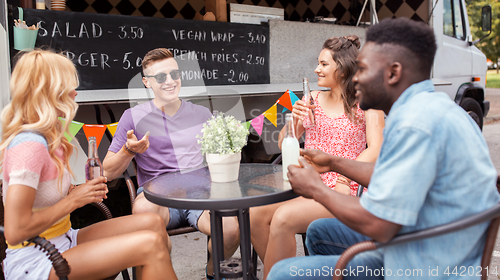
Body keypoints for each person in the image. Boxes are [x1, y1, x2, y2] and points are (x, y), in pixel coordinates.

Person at [267, 18, 500, 280]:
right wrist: (334, 162)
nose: (355, 78)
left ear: (393, 73)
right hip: (421, 238)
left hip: (424, 264)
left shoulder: (415, 125)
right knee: (321, 231)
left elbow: (379, 223)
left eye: (363, 69)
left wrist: (317, 189)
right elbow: (390, 175)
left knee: (283, 273)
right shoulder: (429, 107)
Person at [1, 49, 177, 280]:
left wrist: (77, 191)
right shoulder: (29, 145)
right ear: (48, 91)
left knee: (153, 223)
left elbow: (42, 198)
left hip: (65, 237)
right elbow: (15, 232)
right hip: (37, 258)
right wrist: (74, 200)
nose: (75, 93)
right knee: (151, 244)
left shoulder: (49, 137)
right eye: (68, 87)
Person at [250, 36, 385, 279]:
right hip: (304, 183)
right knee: (253, 215)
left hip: (341, 190)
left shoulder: (367, 103)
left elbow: (376, 148)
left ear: (342, 69)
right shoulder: (310, 100)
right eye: (318, 63)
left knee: (282, 219)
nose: (316, 69)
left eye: (323, 64)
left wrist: (344, 178)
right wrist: (294, 119)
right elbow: (284, 143)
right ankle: (284, 273)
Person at [103, 48, 240, 279]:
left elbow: (221, 157)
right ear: (147, 82)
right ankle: (162, 272)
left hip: (199, 194)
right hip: (157, 196)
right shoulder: (133, 116)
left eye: (174, 74)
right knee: (144, 215)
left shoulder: (202, 114)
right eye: (160, 77)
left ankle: (212, 271)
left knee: (231, 229)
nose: (170, 81)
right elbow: (107, 171)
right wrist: (128, 150)